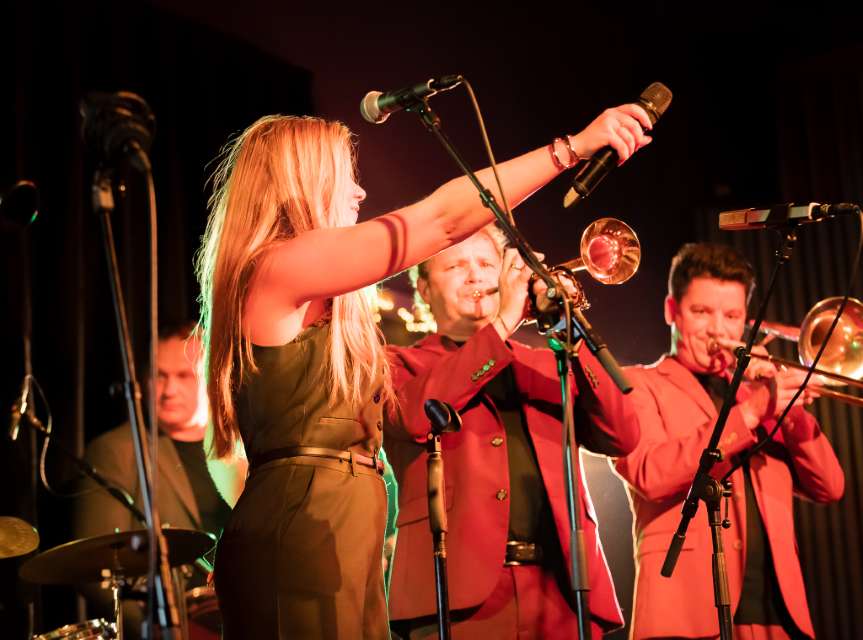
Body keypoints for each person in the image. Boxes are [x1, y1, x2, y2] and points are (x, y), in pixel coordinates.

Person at [195, 106, 653, 639]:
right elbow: (441, 220)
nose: (359, 194)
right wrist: (571, 149)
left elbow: (622, 431)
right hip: (305, 519)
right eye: (345, 176)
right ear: (303, 181)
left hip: (341, 523)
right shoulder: (277, 266)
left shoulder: (314, 292)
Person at [384, 225, 642, 639]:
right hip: (456, 596)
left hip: (562, 592)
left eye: (487, 264)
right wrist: (504, 320)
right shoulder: (400, 364)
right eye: (456, 266)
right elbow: (415, 416)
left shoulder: (547, 363)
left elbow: (622, 435)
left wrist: (570, 331)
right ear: (424, 289)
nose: (475, 275)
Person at [613, 242, 845, 639]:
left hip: (779, 617)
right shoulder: (637, 384)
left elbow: (830, 486)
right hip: (685, 614)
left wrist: (789, 410)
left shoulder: (757, 395)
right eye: (701, 312)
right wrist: (750, 413)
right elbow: (650, 474)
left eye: (732, 316)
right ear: (672, 311)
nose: (718, 330)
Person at [73, 322, 238, 638]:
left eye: (183, 375)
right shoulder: (116, 451)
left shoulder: (242, 445)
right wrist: (166, 631)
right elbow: (96, 570)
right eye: (159, 375)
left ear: (212, 376)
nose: (169, 389)